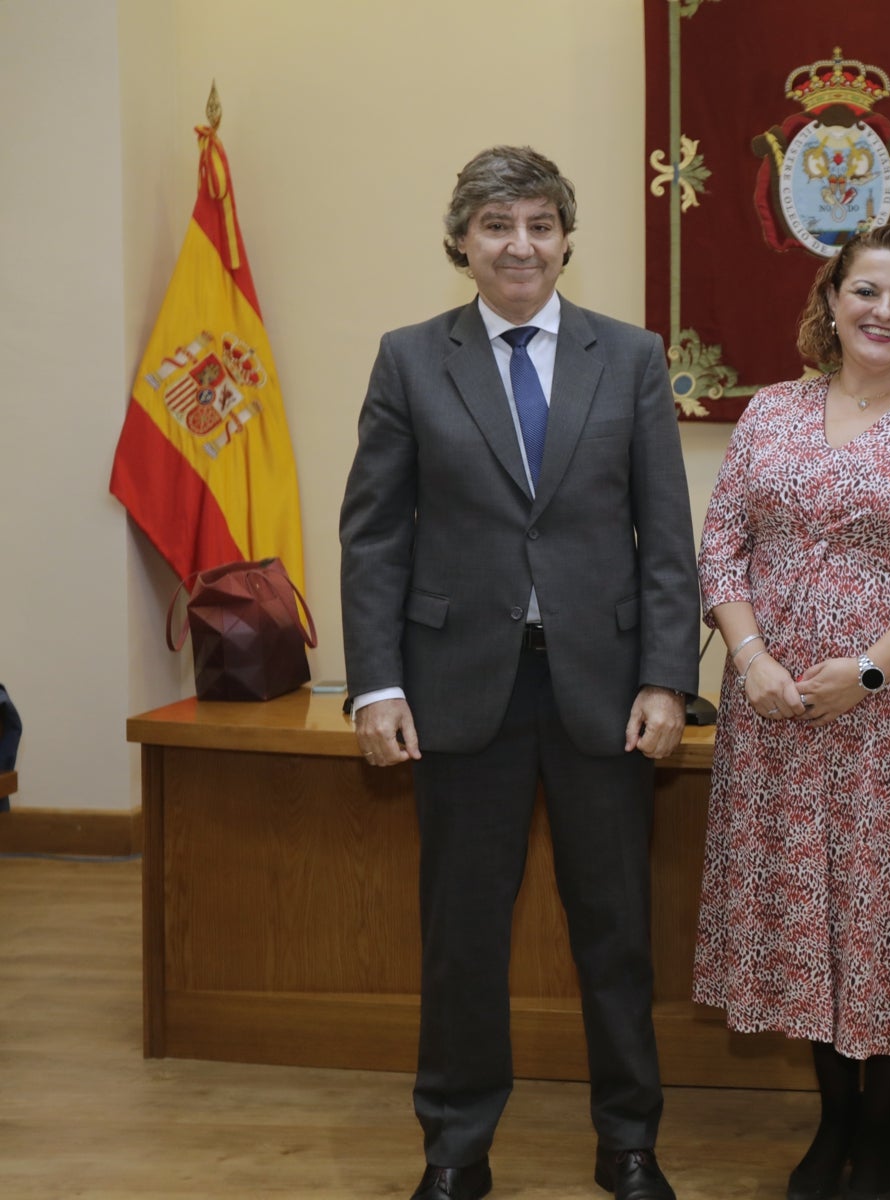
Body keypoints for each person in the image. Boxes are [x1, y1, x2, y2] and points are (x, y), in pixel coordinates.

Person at [339, 145, 698, 1200]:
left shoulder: (626, 356)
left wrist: (668, 677)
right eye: (497, 226)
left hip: (604, 692)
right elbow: (374, 537)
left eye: (539, 224)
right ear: (462, 242)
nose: (520, 246)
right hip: (458, 693)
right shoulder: (411, 359)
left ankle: (628, 1142)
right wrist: (376, 684)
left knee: (616, 936)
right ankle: (456, 1149)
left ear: (567, 238)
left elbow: (665, 537)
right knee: (461, 939)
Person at [693, 224, 890, 1200]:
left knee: (887, 911)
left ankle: (883, 1125)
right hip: (776, 714)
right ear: (832, 300)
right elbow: (721, 547)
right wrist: (749, 660)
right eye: (865, 291)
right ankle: (832, 1123)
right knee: (808, 914)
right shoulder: (770, 412)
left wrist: (867, 672)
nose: (882, 312)